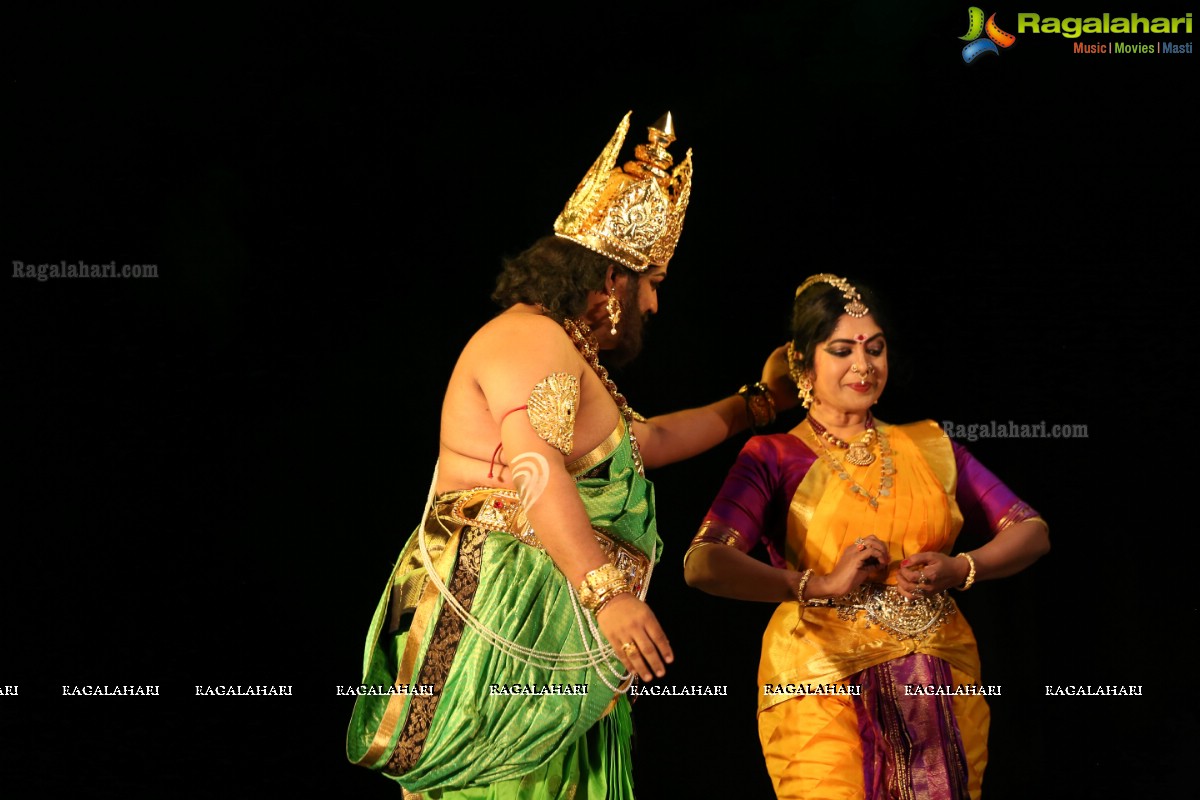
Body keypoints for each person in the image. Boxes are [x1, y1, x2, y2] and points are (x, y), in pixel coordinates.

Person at [345, 110, 795, 799]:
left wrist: (757, 403)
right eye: (651, 283)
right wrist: (607, 594)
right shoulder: (528, 340)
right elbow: (536, 468)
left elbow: (648, 444)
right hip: (507, 620)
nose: (654, 304)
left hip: (557, 622)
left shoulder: (564, 353)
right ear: (613, 280)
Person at [683, 273, 1051, 800]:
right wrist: (821, 585)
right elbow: (704, 562)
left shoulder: (931, 444)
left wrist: (963, 568)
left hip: (938, 681)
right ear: (803, 363)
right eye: (841, 350)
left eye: (875, 349)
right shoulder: (773, 456)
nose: (864, 365)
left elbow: (1031, 529)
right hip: (820, 683)